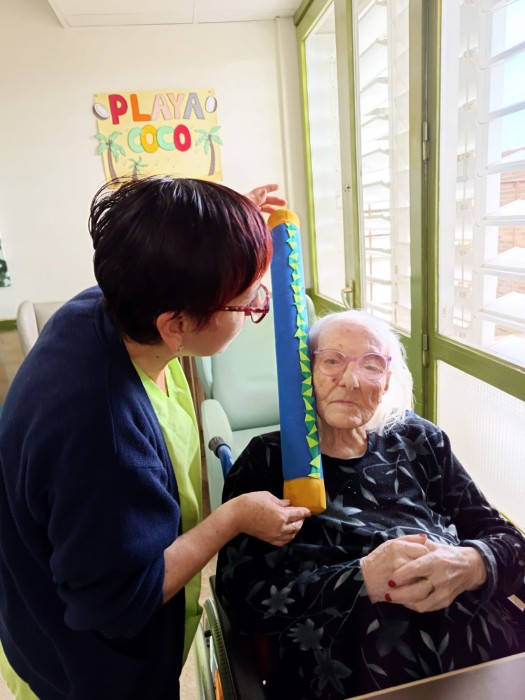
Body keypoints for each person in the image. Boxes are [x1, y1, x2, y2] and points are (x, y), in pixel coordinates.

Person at [0, 176, 311, 700]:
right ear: (176, 325)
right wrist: (231, 518)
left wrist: (225, 230)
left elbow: (166, 249)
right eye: (247, 304)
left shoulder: (104, 304)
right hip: (95, 671)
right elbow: (119, 602)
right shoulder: (103, 437)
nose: (258, 306)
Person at [216, 309, 525, 699]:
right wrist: (361, 580)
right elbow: (240, 597)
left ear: (387, 380)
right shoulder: (267, 461)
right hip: (357, 681)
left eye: (372, 365)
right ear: (304, 373)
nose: (351, 380)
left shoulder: (419, 441)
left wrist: (471, 563)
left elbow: (510, 542)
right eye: (332, 361)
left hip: (492, 666)